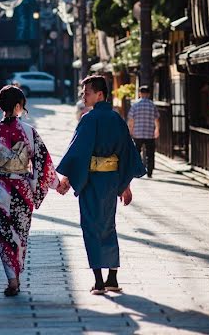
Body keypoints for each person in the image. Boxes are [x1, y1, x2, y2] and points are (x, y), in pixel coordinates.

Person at [56, 75, 146, 295]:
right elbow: (126, 152)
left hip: (92, 181)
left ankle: (99, 281)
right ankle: (112, 278)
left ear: (99, 94)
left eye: (86, 92)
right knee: (109, 226)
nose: (83, 96)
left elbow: (78, 152)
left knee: (91, 227)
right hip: (112, 180)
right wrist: (125, 184)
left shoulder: (89, 119)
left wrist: (67, 178)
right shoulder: (117, 119)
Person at [0, 85, 59, 297]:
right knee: (20, 237)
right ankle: (16, 277)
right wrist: (57, 184)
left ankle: (12, 280)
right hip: (22, 192)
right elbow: (43, 162)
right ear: (18, 106)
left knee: (4, 237)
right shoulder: (29, 132)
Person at [127, 85, 160, 177]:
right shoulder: (152, 105)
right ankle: (149, 172)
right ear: (148, 94)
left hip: (137, 133)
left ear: (140, 94)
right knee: (150, 154)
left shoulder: (135, 105)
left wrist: (130, 130)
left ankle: (136, 171)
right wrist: (157, 130)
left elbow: (131, 119)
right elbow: (156, 119)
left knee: (136, 153)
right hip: (149, 133)